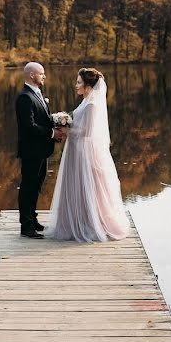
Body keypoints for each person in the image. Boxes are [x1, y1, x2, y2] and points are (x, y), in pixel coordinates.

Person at [45, 68, 129, 242]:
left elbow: (87, 132)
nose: (76, 86)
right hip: (76, 149)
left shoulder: (92, 105)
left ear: (88, 85)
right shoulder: (85, 101)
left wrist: (66, 129)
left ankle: (88, 223)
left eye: (79, 82)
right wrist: (65, 122)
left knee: (86, 185)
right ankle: (74, 221)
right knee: (77, 184)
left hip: (84, 151)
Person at [15, 62, 65, 238]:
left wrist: (58, 121)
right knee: (28, 186)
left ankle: (33, 219)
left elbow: (41, 119)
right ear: (31, 76)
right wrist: (52, 133)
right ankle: (26, 226)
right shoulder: (25, 97)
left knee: (36, 185)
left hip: (41, 151)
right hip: (31, 151)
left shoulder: (37, 94)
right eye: (41, 73)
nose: (44, 76)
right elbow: (29, 126)